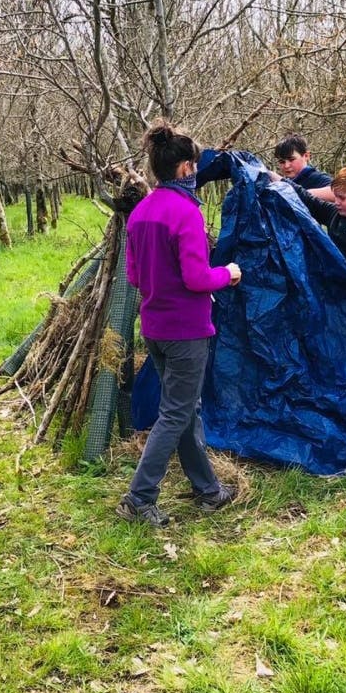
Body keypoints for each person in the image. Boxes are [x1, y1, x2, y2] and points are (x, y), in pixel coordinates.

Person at [117, 119, 243, 527]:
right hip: (186, 329)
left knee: (187, 409)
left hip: (154, 326)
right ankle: (139, 498)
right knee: (175, 413)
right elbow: (196, 278)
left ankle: (209, 491)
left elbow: (135, 276)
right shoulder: (186, 214)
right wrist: (229, 274)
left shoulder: (140, 213)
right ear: (186, 168)